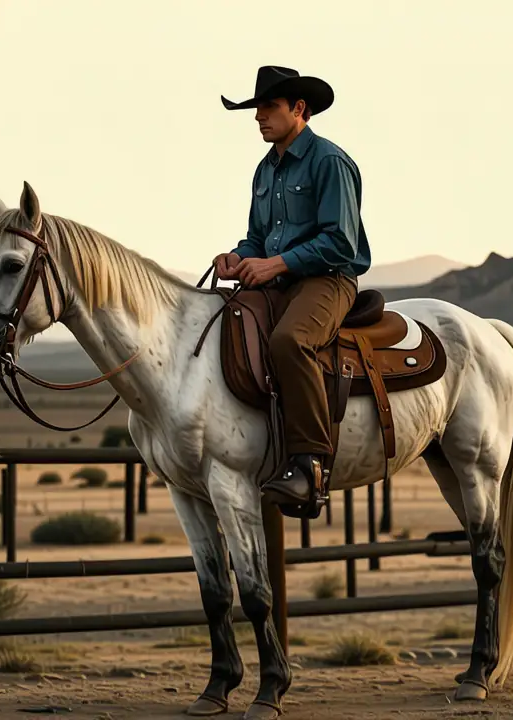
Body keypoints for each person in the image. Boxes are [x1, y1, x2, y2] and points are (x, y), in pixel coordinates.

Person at [212, 65, 371, 509]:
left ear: (299, 109)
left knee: (290, 340)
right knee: (225, 325)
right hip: (279, 277)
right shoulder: (265, 170)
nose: (258, 116)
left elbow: (341, 241)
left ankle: (310, 465)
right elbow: (258, 238)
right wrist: (238, 258)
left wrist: (274, 265)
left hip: (329, 279)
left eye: (268, 107)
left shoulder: (329, 161)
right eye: (256, 108)